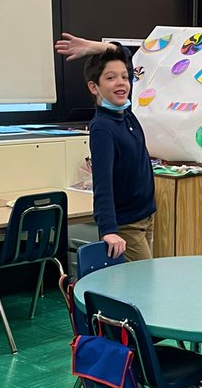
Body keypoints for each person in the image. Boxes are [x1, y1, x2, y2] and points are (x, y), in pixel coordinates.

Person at [55, 35, 155, 261]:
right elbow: (103, 183)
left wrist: (96, 47)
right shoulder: (103, 127)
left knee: (138, 284)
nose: (121, 82)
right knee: (144, 286)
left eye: (124, 77)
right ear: (94, 86)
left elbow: (126, 57)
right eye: (110, 78)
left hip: (145, 217)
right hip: (126, 224)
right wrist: (109, 230)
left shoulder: (125, 114)